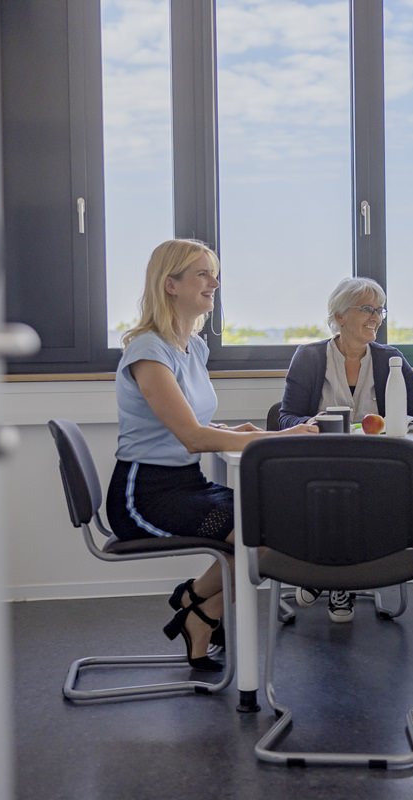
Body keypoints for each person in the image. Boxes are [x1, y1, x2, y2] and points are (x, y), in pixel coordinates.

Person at [106, 239, 316, 671]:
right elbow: (192, 438)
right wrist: (281, 437)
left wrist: (236, 431)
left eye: (213, 273)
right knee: (255, 535)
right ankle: (196, 602)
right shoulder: (148, 351)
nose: (214, 283)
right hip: (144, 495)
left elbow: (197, 425)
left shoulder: (193, 347)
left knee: (272, 523)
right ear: (170, 285)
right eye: (202, 274)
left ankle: (199, 612)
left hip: (187, 483)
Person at [279, 276, 413, 621]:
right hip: (321, 465)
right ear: (340, 316)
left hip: (374, 467)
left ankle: (325, 577)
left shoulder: (390, 358)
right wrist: (310, 423)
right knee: (336, 494)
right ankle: (334, 580)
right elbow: (285, 418)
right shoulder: (310, 357)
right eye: (367, 309)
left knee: (359, 495)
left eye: (380, 310)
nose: (376, 317)